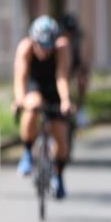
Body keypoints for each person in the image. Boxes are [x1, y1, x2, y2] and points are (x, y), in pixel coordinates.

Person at [12, 15, 73, 199]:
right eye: (41, 45)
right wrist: (20, 99)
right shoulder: (25, 48)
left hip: (54, 88)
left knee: (61, 138)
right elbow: (20, 77)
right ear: (34, 40)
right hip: (34, 86)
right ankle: (28, 153)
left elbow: (62, 76)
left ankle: (59, 176)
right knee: (33, 106)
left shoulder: (62, 48)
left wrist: (66, 100)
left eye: (49, 46)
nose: (44, 51)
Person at [60, 12, 90, 127]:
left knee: (82, 80)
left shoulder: (78, 39)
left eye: (72, 32)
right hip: (61, 67)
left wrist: (83, 70)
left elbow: (84, 58)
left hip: (73, 65)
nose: (69, 35)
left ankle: (80, 109)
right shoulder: (59, 42)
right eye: (67, 31)